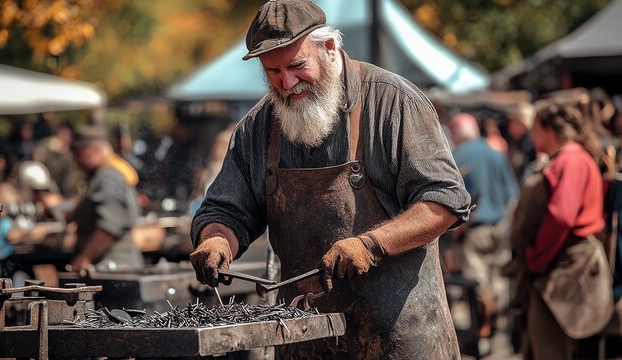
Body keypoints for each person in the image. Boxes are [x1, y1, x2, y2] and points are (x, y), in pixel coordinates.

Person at [188, 1, 472, 358]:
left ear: (330, 48)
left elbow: (444, 201)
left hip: (398, 340)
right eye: (273, 71)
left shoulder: (394, 103)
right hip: (305, 341)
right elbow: (226, 210)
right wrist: (217, 240)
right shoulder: (257, 127)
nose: (287, 83)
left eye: (296, 66)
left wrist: (370, 244)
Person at [525, 100, 613, 360]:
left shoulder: (570, 160)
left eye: (535, 129)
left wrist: (536, 258)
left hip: (566, 263)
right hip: (570, 259)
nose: (532, 135)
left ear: (548, 130)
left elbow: (561, 217)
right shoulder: (573, 158)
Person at [449, 112, 519, 339]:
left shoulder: (456, 156)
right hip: (501, 228)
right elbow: (513, 196)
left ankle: (483, 330)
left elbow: (452, 200)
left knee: (477, 283)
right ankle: (494, 328)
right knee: (496, 278)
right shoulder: (496, 154)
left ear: (457, 134)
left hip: (474, 231)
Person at [67, 125, 143, 272]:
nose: (75, 160)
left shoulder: (107, 177)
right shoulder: (101, 176)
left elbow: (109, 226)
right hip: (110, 268)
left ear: (93, 150)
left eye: (77, 153)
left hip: (113, 269)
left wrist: (85, 258)